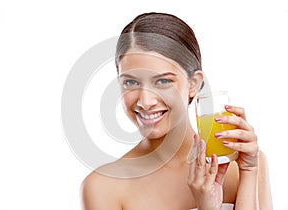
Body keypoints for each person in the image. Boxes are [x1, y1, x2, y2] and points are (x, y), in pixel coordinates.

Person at [81, 12, 272, 210]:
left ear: (193, 84)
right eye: (131, 82)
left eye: (163, 81)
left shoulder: (242, 165)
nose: (145, 101)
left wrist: (249, 171)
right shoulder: (102, 188)